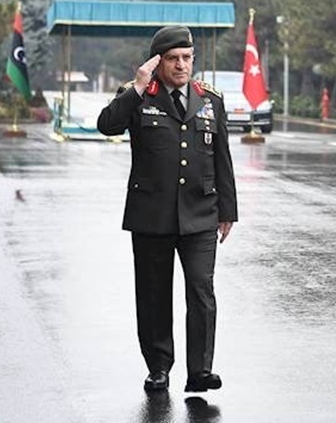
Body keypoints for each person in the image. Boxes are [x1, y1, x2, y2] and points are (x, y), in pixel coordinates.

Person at [96, 26, 237, 393]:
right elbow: (107, 126)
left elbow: (222, 158)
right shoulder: (138, 95)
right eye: (173, 59)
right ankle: (158, 367)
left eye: (187, 58)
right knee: (154, 294)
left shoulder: (210, 99)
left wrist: (228, 210)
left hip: (201, 212)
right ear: (157, 62)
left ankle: (200, 370)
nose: (181, 65)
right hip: (152, 214)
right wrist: (138, 87)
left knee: (202, 290)